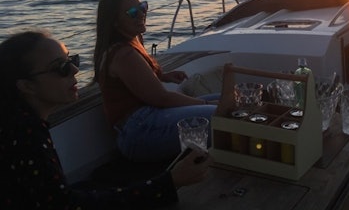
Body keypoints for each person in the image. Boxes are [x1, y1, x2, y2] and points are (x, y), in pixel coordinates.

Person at [0, 30, 210, 209]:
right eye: (61, 67)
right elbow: (65, 205)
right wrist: (169, 183)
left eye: (72, 60)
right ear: (27, 86)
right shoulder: (24, 136)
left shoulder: (19, 124)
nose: (75, 69)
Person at [93, 0, 218, 162]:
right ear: (115, 21)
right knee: (220, 115)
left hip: (149, 118)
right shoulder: (123, 54)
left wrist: (162, 75)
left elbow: (137, 78)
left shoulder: (132, 39)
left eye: (142, 7)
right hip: (138, 131)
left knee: (225, 100)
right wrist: (205, 103)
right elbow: (162, 98)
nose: (141, 14)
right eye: (132, 12)